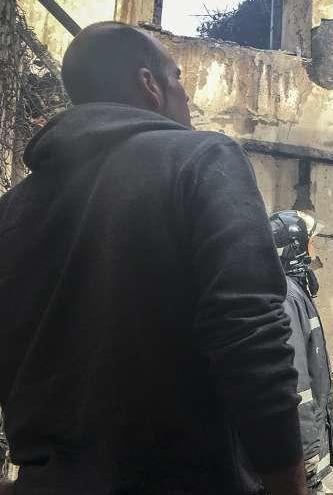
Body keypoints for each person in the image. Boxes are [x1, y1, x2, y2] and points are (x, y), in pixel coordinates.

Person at [0, 22, 307, 495]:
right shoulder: (202, 158)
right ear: (150, 85)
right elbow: (248, 329)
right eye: (178, 77)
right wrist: (288, 483)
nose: (186, 95)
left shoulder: (13, 210)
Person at [269, 211, 333, 495]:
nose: (313, 251)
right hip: (300, 457)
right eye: (311, 243)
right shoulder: (288, 297)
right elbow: (296, 387)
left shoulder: (293, 293)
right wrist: (306, 457)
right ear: (295, 247)